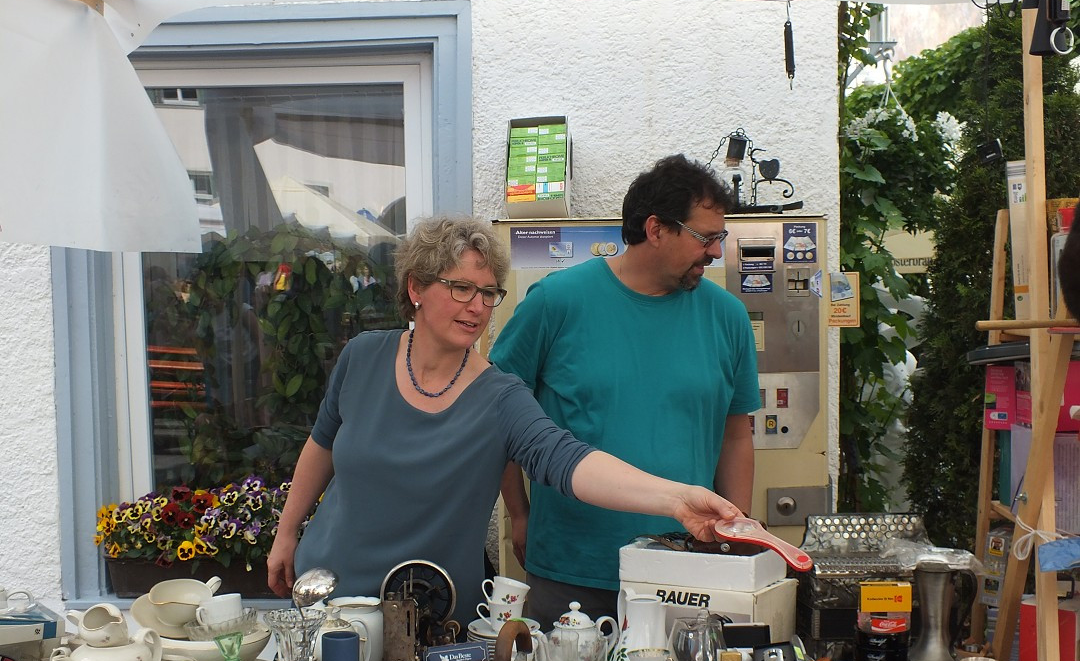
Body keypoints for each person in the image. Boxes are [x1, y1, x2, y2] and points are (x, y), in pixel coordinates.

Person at [266, 214, 744, 626]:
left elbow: (571, 461)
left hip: (436, 618)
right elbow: (322, 444)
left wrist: (677, 499)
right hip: (328, 596)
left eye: (489, 293)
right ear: (416, 287)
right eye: (460, 288)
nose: (476, 306)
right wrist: (287, 533)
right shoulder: (362, 356)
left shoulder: (499, 396)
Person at [490, 154, 760, 627]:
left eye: (721, 237)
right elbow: (497, 416)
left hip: (686, 570)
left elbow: (736, 436)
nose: (716, 252)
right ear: (656, 229)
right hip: (574, 569)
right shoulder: (556, 302)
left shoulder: (728, 317)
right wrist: (518, 512)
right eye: (706, 237)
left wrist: (735, 539)